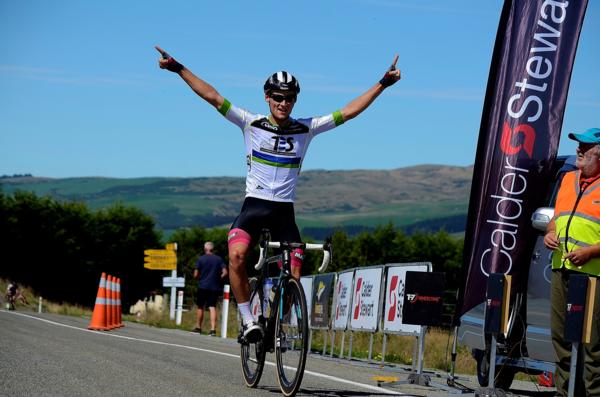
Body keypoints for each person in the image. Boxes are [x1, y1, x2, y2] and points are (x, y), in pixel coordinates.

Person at [156, 45, 401, 341]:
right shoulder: (250, 122)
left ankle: (276, 325)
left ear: (295, 100)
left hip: (285, 211)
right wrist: (179, 68)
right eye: (278, 97)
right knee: (236, 257)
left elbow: (349, 112)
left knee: (295, 275)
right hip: (253, 209)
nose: (283, 103)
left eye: (289, 98)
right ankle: (248, 320)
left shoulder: (306, 128)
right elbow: (213, 96)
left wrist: (382, 84)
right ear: (267, 97)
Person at [543, 127, 600, 396]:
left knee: (593, 342)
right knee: (560, 336)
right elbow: (555, 218)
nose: (579, 150)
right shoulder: (568, 180)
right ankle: (563, 392)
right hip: (561, 268)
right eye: (579, 145)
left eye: (586, 148)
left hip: (593, 274)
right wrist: (550, 233)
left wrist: (590, 252)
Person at [193, 241, 228, 336]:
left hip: (203, 286)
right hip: (215, 287)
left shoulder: (201, 259)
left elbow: (195, 274)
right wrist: (218, 278)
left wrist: (198, 278)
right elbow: (225, 272)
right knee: (212, 307)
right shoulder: (219, 259)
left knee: (200, 306)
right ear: (212, 249)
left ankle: (198, 328)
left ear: (205, 249)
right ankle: (212, 330)